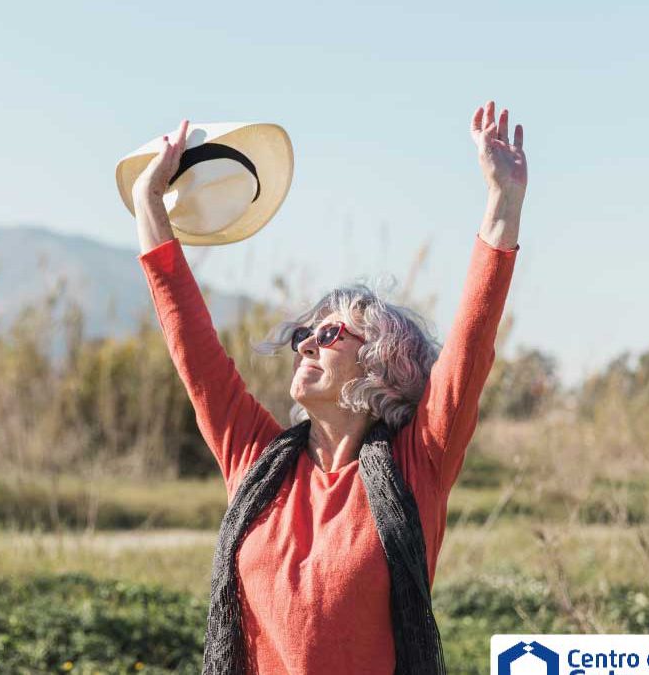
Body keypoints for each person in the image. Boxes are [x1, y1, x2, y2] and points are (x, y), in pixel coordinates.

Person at [133, 101, 526, 674]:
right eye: (305, 334)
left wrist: (503, 202)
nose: (307, 343)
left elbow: (472, 343)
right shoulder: (257, 462)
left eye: (332, 332)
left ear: (381, 363)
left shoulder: (419, 464)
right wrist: (148, 205)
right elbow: (193, 350)